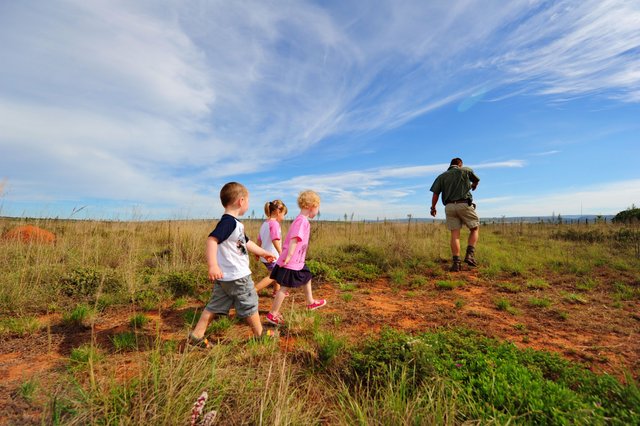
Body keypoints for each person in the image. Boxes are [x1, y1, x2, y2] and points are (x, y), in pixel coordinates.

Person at [188, 182, 277, 347]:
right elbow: (211, 240)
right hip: (238, 276)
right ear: (241, 201)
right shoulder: (228, 222)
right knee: (250, 302)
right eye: (248, 201)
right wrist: (212, 265)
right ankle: (260, 334)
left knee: (214, 307)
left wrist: (263, 252)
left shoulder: (236, 225)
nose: (248, 205)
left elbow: (247, 242)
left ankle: (196, 336)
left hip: (225, 278)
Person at [265, 190, 327, 326]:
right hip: (292, 261)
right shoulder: (301, 221)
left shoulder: (301, 220)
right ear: (311, 206)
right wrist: (288, 257)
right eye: (317, 208)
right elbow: (294, 239)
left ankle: (310, 302)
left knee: (307, 276)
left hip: (298, 261)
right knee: (285, 287)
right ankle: (273, 313)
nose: (317, 211)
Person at [429, 157, 480, 272]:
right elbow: (476, 180)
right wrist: (474, 186)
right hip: (463, 204)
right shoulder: (466, 170)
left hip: (449, 207)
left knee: (455, 234)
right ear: (460, 164)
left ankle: (456, 264)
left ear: (450, 165)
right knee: (474, 228)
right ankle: (469, 256)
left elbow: (435, 194)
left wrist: (433, 208)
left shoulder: (442, 176)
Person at [254, 199, 287, 296]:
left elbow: (259, 240)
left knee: (277, 273)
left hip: (264, 256)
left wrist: (257, 252)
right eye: (284, 214)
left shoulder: (265, 223)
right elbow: (275, 239)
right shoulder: (274, 224)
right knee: (274, 275)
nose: (284, 217)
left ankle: (277, 292)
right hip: (272, 256)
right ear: (278, 212)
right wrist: (281, 252)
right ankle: (253, 290)